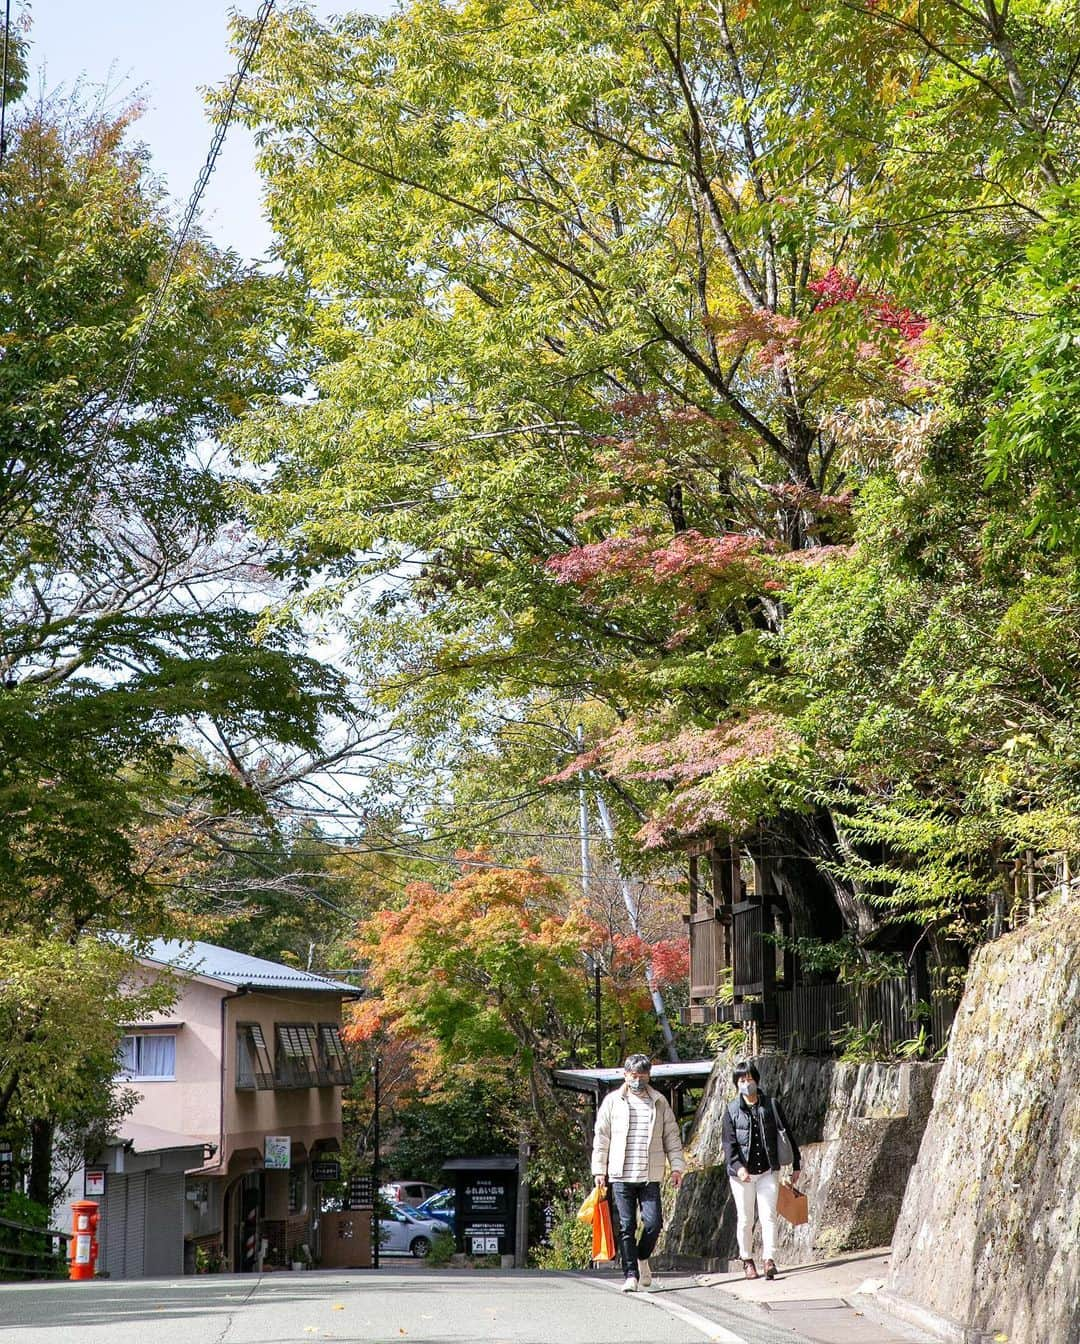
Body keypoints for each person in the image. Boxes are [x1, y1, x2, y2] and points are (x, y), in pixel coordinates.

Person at [591, 1053, 686, 1293]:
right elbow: (601, 1138)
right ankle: (630, 1274)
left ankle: (642, 1257)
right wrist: (599, 1171)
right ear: (625, 1075)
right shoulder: (612, 1101)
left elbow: (672, 1137)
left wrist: (677, 1166)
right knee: (626, 1226)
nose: (638, 1080)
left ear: (649, 1076)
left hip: (649, 1174)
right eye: (634, 1076)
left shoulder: (659, 1102)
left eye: (642, 1076)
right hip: (620, 1174)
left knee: (654, 1224)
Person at [721, 1059, 801, 1281]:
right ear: (736, 1084)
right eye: (741, 1080)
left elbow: (787, 1134)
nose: (746, 1083)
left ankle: (769, 1260)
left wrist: (796, 1163)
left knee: (768, 1216)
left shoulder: (771, 1105)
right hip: (741, 1176)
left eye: (749, 1079)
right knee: (746, 1219)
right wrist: (738, 1168)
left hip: (768, 1170)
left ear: (756, 1080)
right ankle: (746, 1260)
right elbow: (729, 1145)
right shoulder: (731, 1110)